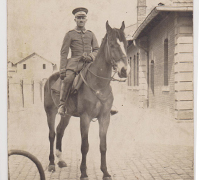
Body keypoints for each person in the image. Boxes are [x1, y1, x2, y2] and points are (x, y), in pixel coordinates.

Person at [58, 7, 118, 116]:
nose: (81, 20)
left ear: (86, 20)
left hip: (89, 63)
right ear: (75, 20)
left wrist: (90, 56)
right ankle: (62, 105)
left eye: (83, 18)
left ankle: (108, 104)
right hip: (74, 64)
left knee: (102, 77)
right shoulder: (70, 34)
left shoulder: (91, 34)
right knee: (68, 79)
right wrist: (62, 69)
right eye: (78, 18)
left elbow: (96, 50)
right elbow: (64, 53)